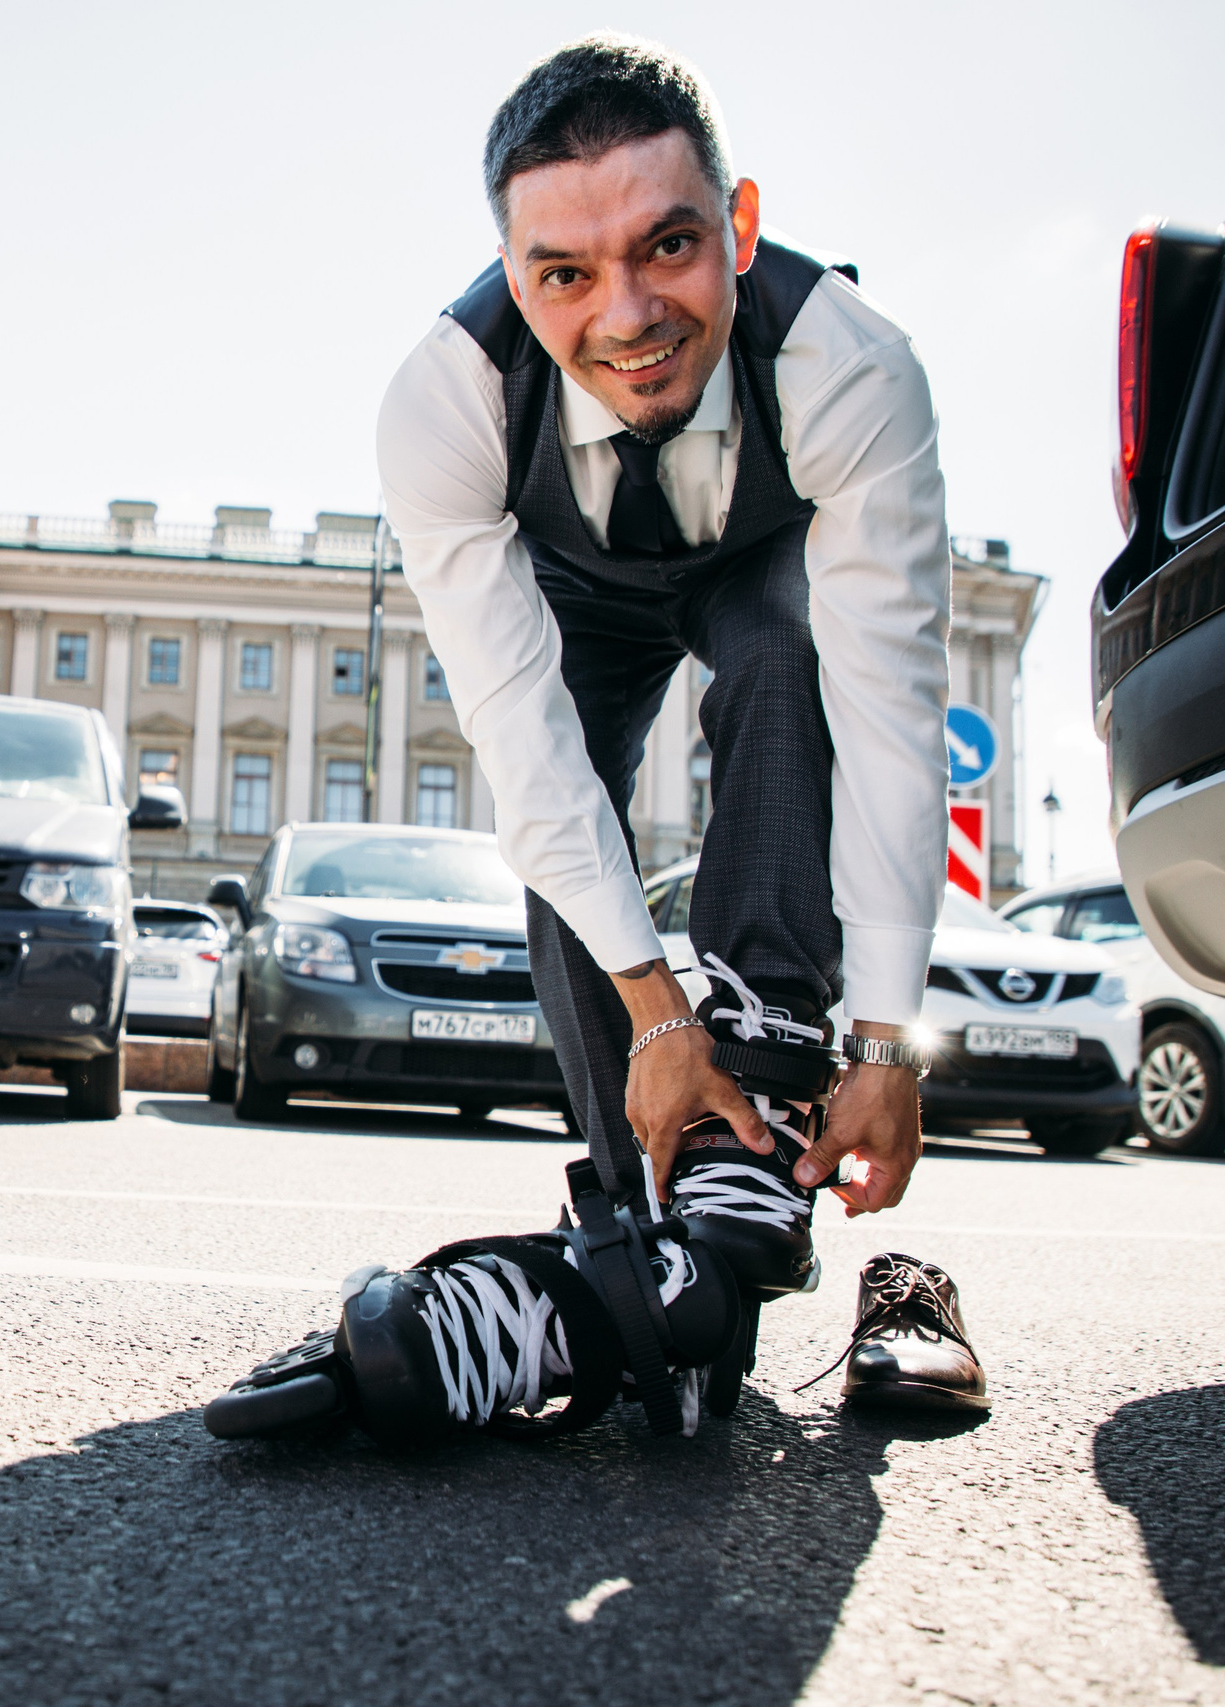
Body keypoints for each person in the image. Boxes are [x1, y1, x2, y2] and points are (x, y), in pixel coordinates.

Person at [370, 34, 983, 1416]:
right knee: (569, 788)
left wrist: (881, 1044)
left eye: (671, 246)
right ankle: (639, 1212)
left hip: (764, 560)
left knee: (788, 647)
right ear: (517, 276)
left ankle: (760, 1074)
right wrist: (655, 1015)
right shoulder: (446, 402)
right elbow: (527, 750)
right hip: (573, 588)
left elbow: (891, 718)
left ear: (743, 225)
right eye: (566, 275)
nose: (628, 314)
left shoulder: (848, 366)